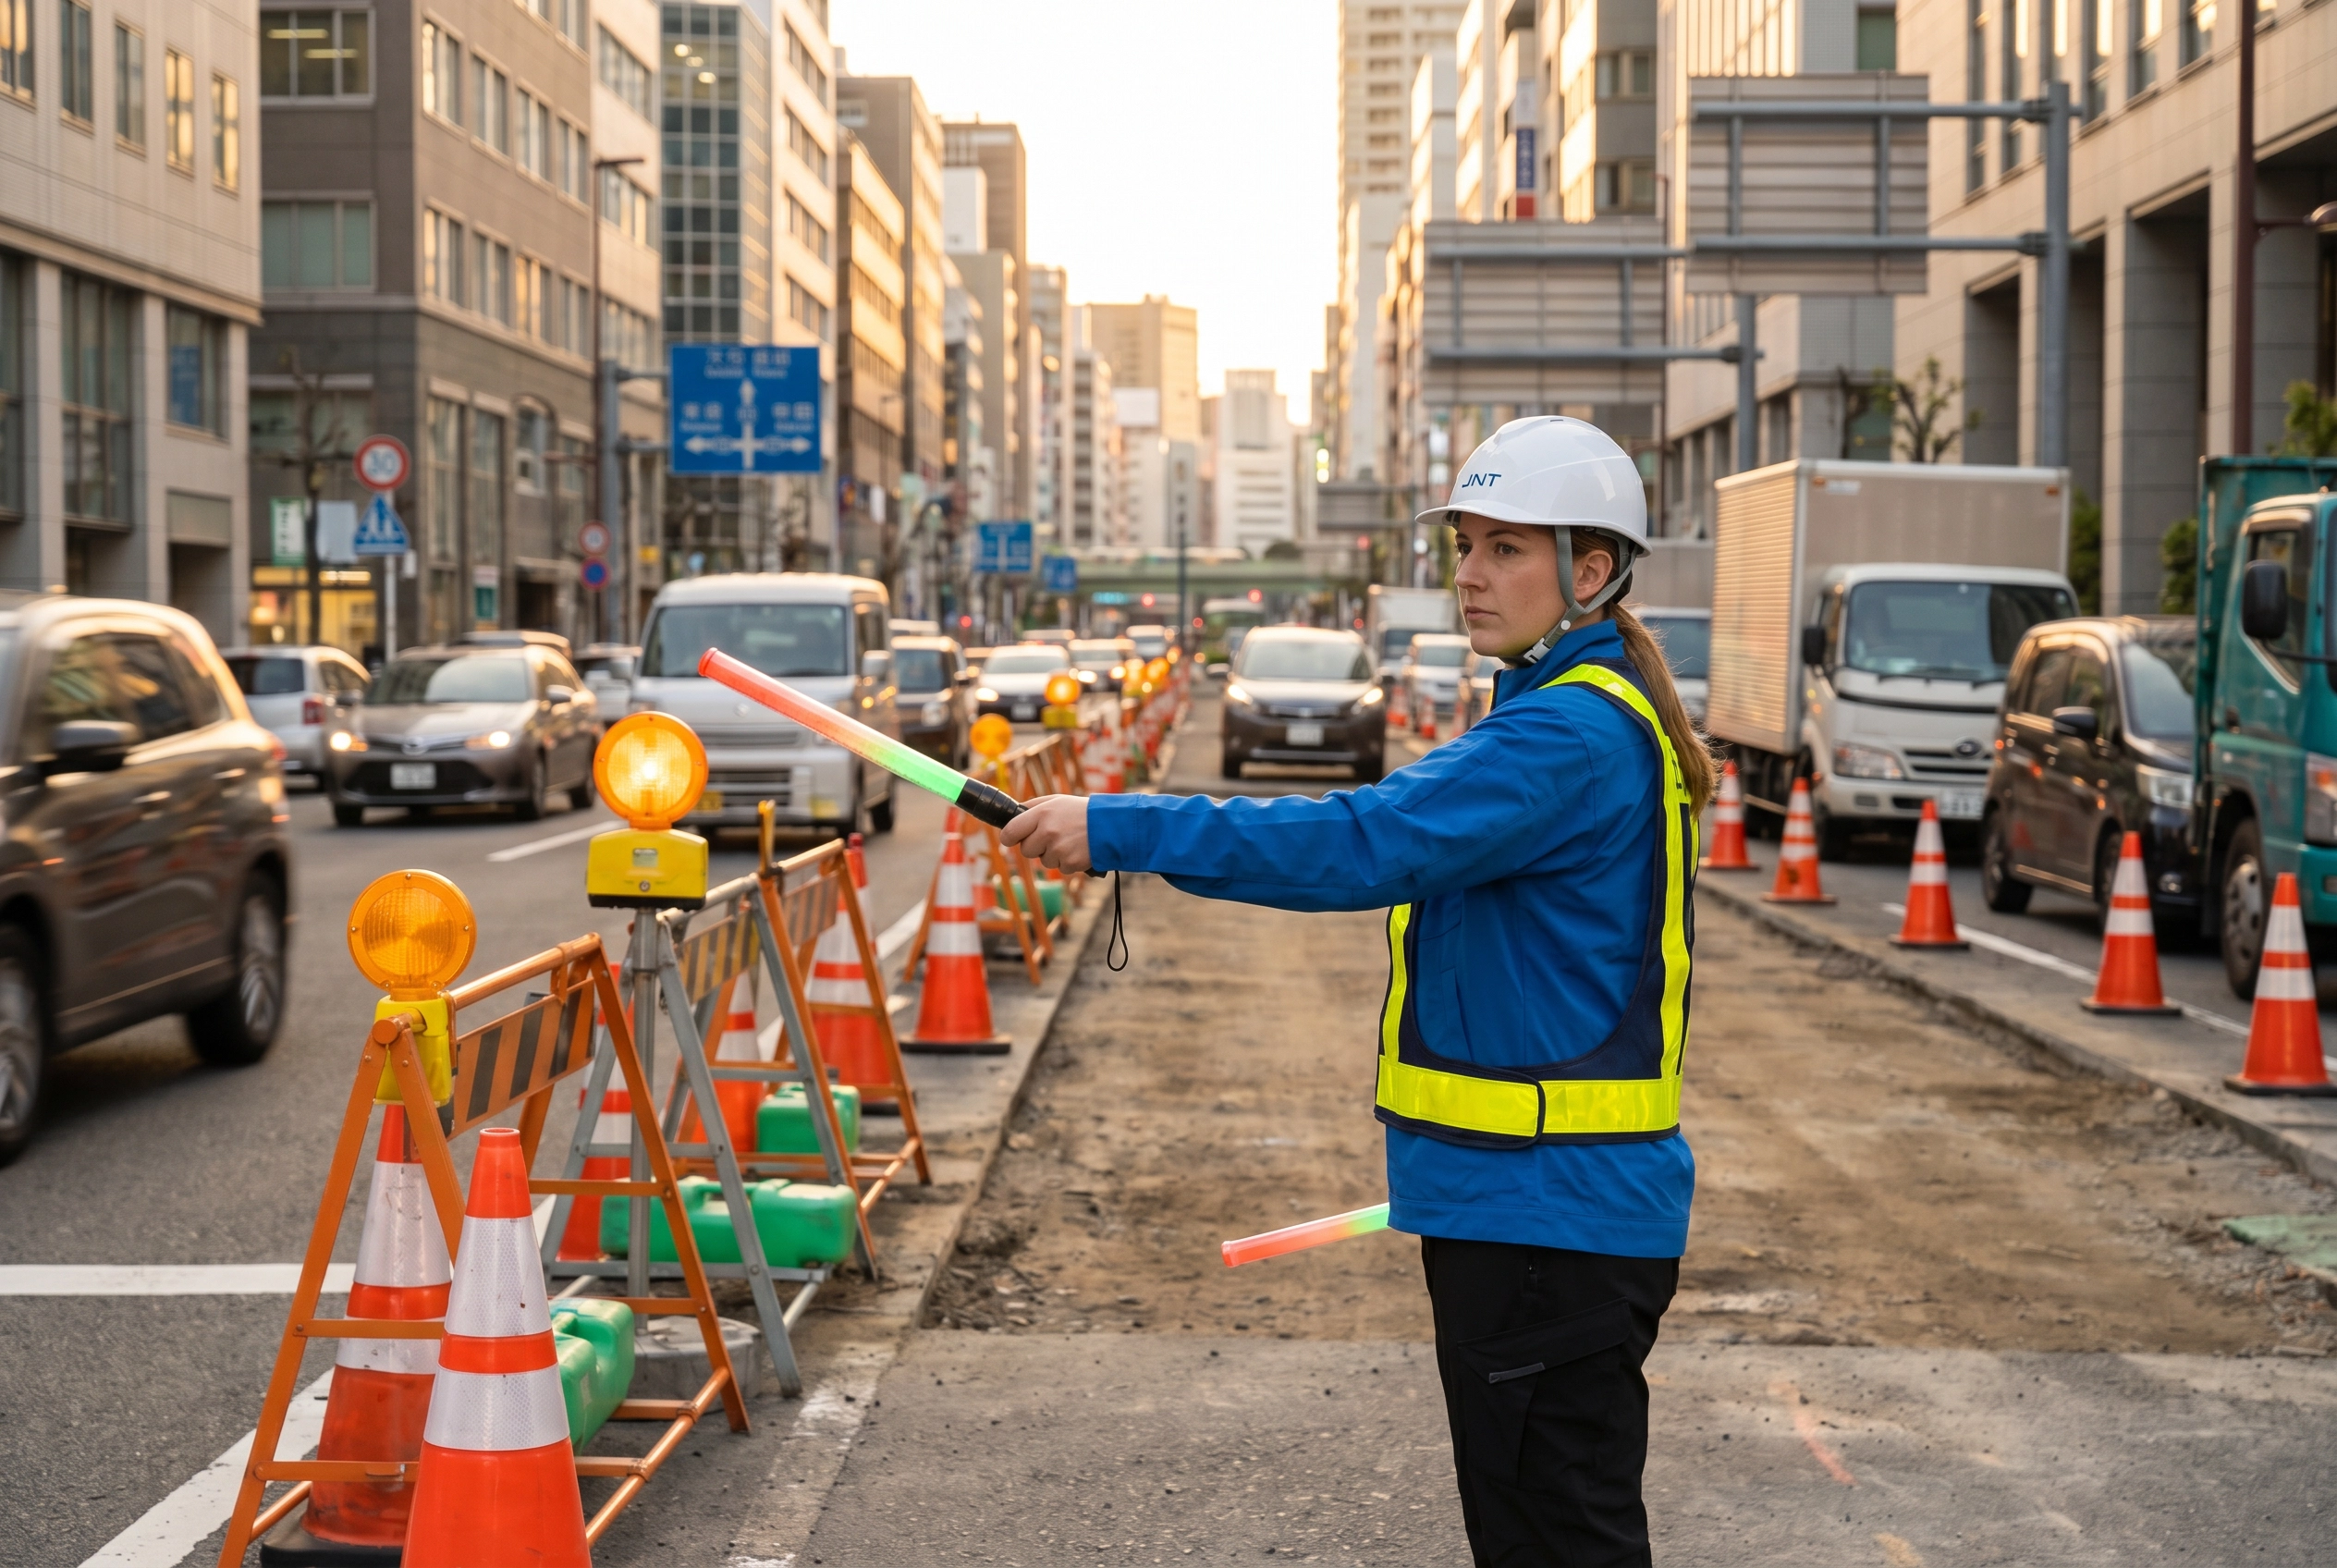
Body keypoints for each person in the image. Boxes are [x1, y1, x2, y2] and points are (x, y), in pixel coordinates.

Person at [1003, 416, 1716, 1567]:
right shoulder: (1577, 709)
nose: (1468, 575)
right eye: (1466, 545)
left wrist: (1118, 823)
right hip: (1537, 1210)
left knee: (1556, 1539)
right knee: (1542, 1529)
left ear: (1590, 571)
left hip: (1544, 1221)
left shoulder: (1565, 736)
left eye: (1505, 550)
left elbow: (1362, 839)